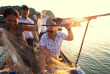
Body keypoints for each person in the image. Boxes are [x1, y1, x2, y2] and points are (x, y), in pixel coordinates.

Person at [0, 8, 39, 73]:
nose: (12, 23)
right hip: (15, 52)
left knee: (31, 67)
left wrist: (38, 18)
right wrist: (0, 35)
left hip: (26, 50)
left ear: (18, 20)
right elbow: (2, 44)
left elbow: (35, 28)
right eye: (9, 20)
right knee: (19, 68)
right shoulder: (2, 28)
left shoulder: (21, 26)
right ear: (5, 19)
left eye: (15, 21)